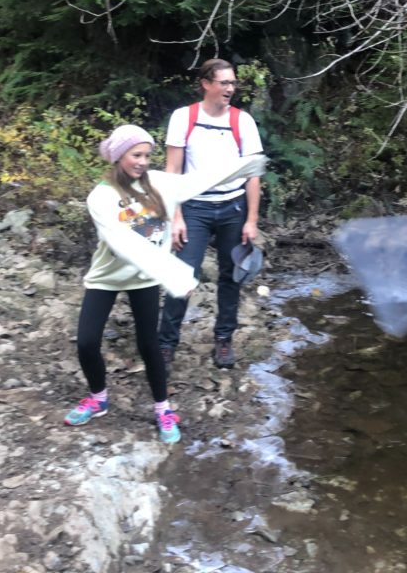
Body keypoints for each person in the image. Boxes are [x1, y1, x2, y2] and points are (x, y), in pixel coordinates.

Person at [64, 123, 266, 443]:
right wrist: (173, 275)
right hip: (106, 278)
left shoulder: (159, 183)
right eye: (136, 155)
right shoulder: (101, 197)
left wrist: (247, 165)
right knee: (87, 341)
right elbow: (122, 242)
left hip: (143, 280)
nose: (143, 162)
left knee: (150, 345)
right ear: (118, 157)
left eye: (147, 155)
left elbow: (199, 180)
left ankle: (163, 408)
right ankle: (98, 398)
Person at [158, 58, 265, 369]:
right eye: (224, 83)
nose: (230, 89)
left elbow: (253, 174)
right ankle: (166, 344)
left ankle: (223, 340)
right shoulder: (183, 118)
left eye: (233, 83)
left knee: (231, 277)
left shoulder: (242, 121)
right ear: (206, 84)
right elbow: (173, 170)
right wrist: (175, 216)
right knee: (182, 276)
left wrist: (252, 219)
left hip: (233, 207)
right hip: (193, 208)